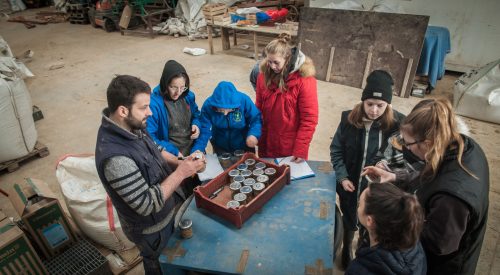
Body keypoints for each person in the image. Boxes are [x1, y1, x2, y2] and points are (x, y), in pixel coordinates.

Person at [362, 98, 490, 275]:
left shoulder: (452, 198)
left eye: (408, 143)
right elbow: (430, 174)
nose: (406, 148)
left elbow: (439, 244)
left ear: (428, 144)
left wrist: (391, 228)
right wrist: (395, 176)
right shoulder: (460, 146)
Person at [95, 75, 205, 275]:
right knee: (160, 265)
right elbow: (146, 204)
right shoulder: (115, 159)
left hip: (167, 213)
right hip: (152, 231)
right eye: (144, 107)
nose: (150, 111)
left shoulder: (131, 126)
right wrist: (181, 173)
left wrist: (182, 162)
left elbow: (156, 149)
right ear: (123, 110)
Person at [329, 70, 405, 269]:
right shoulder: (348, 120)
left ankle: (365, 250)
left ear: (388, 104)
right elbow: (336, 150)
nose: (374, 110)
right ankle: (347, 248)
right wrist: (342, 176)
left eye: (380, 105)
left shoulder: (398, 124)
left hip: (377, 187)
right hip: (350, 183)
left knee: (373, 221)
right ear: (362, 101)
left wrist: (384, 167)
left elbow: (399, 156)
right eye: (369, 104)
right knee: (350, 215)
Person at [255, 33, 318, 162]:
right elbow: (258, 108)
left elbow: (309, 118)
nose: (272, 66)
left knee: (287, 176)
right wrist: (255, 132)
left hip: (288, 145)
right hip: (266, 140)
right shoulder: (263, 77)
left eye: (276, 62)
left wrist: (301, 149)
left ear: (288, 59)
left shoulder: (304, 81)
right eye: (269, 61)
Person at [345, 183, 426, 275]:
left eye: (359, 204)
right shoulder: (414, 246)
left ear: (369, 220)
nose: (358, 207)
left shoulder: (358, 270)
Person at [147, 60, 205, 157]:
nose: (178, 92)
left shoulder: (188, 96)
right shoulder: (153, 104)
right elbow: (149, 137)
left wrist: (196, 124)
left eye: (183, 87)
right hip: (173, 154)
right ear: (165, 84)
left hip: (193, 150)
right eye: (173, 87)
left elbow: (196, 114)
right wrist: (173, 152)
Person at [197, 81, 262, 155]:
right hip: (220, 146)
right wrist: (199, 148)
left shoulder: (244, 100)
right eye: (220, 110)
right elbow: (204, 128)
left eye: (229, 109)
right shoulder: (208, 105)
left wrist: (254, 134)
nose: (225, 113)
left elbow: (256, 119)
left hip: (244, 145)